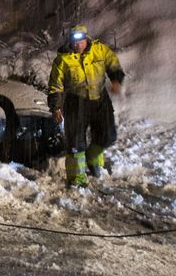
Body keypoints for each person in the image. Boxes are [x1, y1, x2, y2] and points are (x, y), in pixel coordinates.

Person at [47, 24, 125, 187]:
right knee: (75, 144)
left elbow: (112, 62)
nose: (78, 45)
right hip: (76, 102)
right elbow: (55, 85)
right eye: (74, 41)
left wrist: (115, 78)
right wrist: (55, 107)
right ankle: (76, 179)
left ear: (86, 39)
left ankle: (92, 157)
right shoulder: (63, 59)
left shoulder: (99, 50)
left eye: (80, 40)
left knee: (108, 135)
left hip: (99, 100)